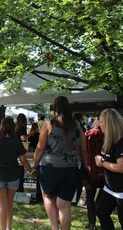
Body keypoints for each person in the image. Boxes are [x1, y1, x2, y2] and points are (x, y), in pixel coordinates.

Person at [33, 96, 87, 230]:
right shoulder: (77, 125)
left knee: (48, 196)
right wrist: (84, 166)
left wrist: (34, 165)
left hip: (50, 167)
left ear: (55, 109)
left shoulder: (49, 124)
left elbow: (40, 148)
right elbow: (84, 149)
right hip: (71, 168)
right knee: (65, 204)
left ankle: (54, 227)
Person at [0, 116, 33, 230]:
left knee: (2, 205)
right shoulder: (16, 141)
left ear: (1, 126)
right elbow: (23, 160)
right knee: (10, 204)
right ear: (13, 127)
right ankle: (9, 228)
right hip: (13, 176)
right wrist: (31, 171)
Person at [95, 108, 123, 230]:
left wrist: (102, 163)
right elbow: (106, 158)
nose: (98, 124)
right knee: (101, 212)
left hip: (121, 190)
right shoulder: (108, 140)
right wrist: (98, 157)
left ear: (109, 123)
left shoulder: (120, 142)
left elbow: (121, 167)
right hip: (110, 188)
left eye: (101, 121)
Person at [84, 117, 105, 230]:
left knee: (90, 198)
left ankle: (92, 223)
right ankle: (102, 221)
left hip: (91, 170)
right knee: (103, 200)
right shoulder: (107, 134)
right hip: (105, 171)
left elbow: (84, 150)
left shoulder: (89, 133)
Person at [15, 113, 28, 192]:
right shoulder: (22, 128)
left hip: (15, 148)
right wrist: (30, 134)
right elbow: (23, 138)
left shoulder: (17, 127)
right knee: (22, 163)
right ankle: (20, 188)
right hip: (19, 148)